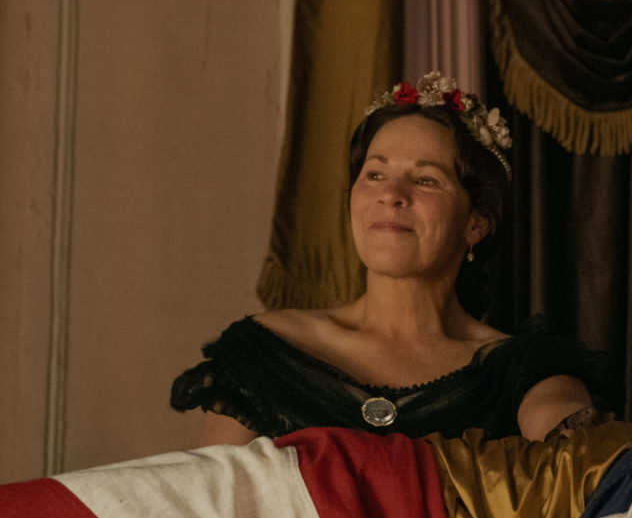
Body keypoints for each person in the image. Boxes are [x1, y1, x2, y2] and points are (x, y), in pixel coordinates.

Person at [172, 72, 607, 445]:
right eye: (375, 174)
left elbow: (576, 466)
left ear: (476, 223)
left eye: (426, 180)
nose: (391, 195)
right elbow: (211, 507)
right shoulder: (266, 353)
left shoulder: (524, 371)